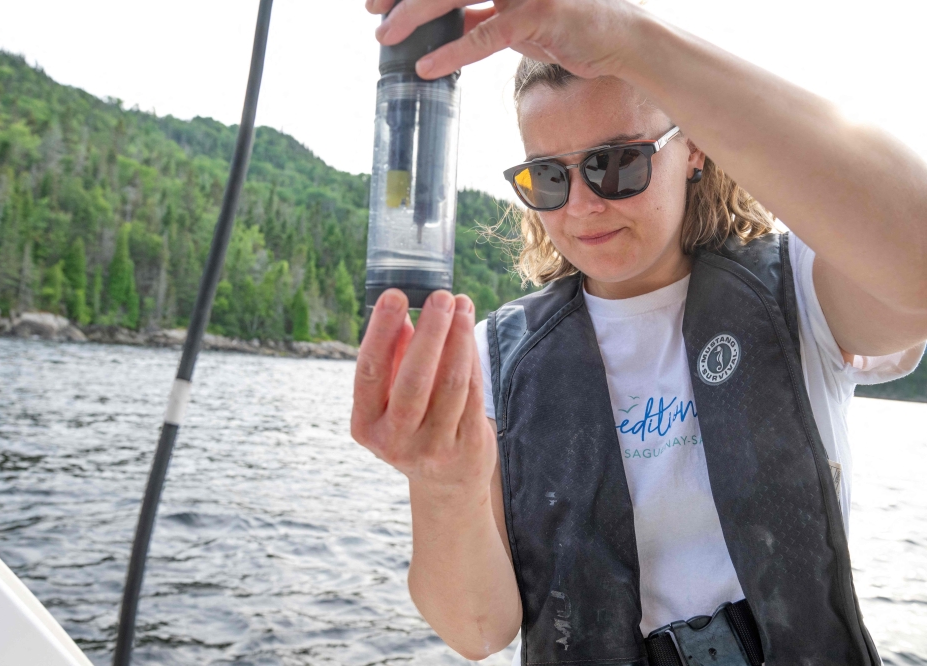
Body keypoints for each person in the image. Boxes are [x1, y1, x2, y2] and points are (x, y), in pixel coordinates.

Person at [350, 1, 927, 664]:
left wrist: (633, 41)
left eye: (618, 162)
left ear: (695, 147)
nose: (583, 205)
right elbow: (477, 629)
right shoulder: (496, 358)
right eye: (549, 177)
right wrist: (444, 486)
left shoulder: (803, 292)